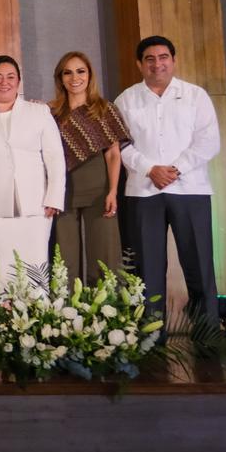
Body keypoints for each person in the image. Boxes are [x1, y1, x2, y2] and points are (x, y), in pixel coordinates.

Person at [115, 36, 220, 326]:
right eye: (149, 59)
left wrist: (175, 169)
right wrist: (150, 169)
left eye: (163, 57)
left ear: (173, 60)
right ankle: (151, 337)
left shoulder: (195, 95)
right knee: (146, 270)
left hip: (191, 190)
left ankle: (207, 334)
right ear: (140, 64)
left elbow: (209, 141)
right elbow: (120, 145)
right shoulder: (126, 99)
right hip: (143, 193)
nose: (157, 64)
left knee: (199, 266)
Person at [0, 55, 65, 279]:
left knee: (35, 269)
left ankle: (36, 303)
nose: (4, 82)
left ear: (18, 81)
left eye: (10, 77)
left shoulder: (39, 112)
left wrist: (54, 197)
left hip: (36, 205)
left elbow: (55, 157)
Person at [48, 51, 131, 282]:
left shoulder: (105, 109)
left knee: (104, 256)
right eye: (68, 73)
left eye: (80, 71)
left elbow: (113, 154)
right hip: (63, 191)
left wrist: (113, 191)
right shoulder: (50, 113)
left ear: (90, 75)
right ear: (60, 78)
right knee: (64, 258)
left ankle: (106, 305)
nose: (75, 78)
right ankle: (65, 305)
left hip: (99, 189)